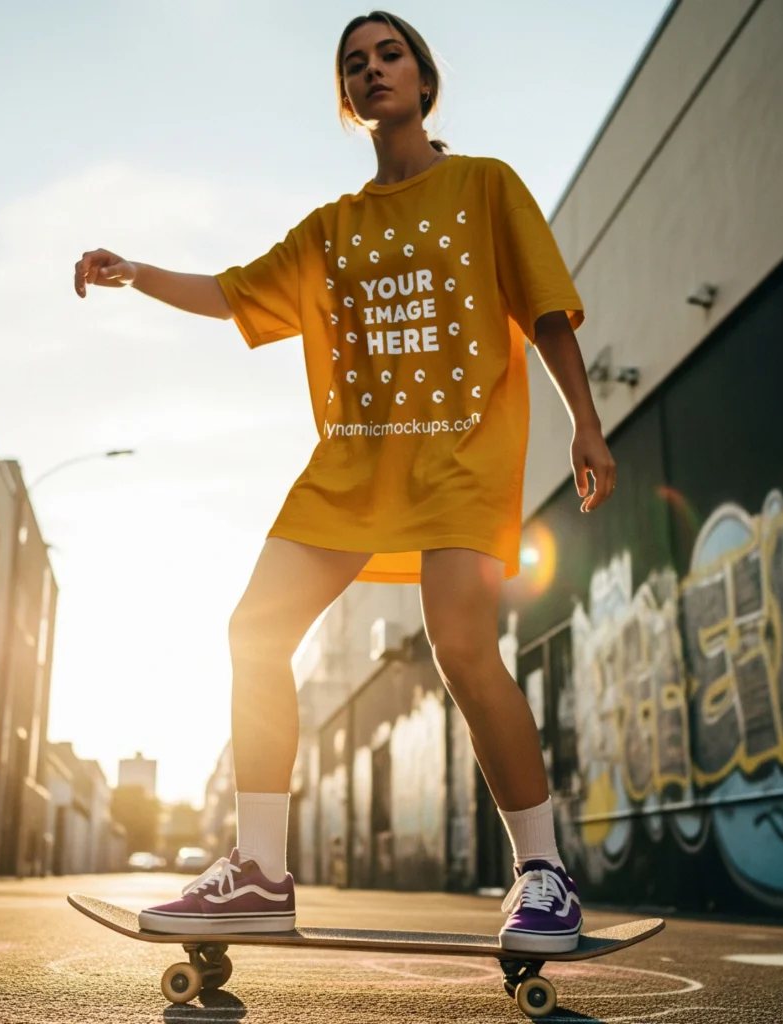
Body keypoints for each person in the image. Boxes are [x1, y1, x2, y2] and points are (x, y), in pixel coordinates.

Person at [73, 10, 615, 955]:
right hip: (353, 465)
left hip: (456, 454)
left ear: (423, 77)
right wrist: (136, 272)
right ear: (347, 97)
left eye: (389, 55)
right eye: (355, 65)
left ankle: (543, 874)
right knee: (254, 629)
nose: (373, 72)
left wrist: (586, 424)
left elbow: (547, 310)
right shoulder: (335, 228)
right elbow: (235, 291)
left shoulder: (486, 187)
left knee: (459, 644)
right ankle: (260, 872)